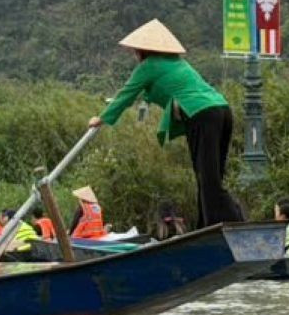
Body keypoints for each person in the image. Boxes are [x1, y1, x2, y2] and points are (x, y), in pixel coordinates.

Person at [89, 20, 245, 227]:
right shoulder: (178, 63)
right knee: (211, 175)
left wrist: (100, 119)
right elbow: (153, 91)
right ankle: (207, 225)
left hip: (201, 114)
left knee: (207, 177)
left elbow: (125, 95)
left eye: (136, 51)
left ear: (143, 51)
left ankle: (229, 223)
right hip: (222, 110)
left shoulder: (148, 66)